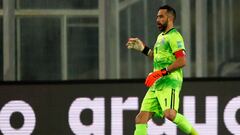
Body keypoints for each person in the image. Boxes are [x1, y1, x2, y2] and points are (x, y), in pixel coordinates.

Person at [126, 5, 198, 135]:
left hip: (169, 82)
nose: (157, 20)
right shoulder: (161, 37)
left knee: (170, 114)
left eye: (161, 17)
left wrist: (159, 73)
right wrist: (143, 49)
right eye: (157, 17)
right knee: (141, 119)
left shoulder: (175, 36)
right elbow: (158, 58)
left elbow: (182, 61)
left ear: (170, 18)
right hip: (157, 83)